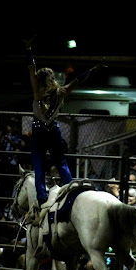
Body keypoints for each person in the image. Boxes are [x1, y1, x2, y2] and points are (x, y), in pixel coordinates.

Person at [24, 35, 104, 207]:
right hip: (53, 129)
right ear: (52, 79)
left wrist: (29, 49)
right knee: (61, 162)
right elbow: (76, 80)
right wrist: (94, 69)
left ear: (39, 79)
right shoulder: (60, 92)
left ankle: (42, 196)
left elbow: (32, 68)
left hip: (38, 130)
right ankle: (72, 192)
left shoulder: (37, 91)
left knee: (38, 165)